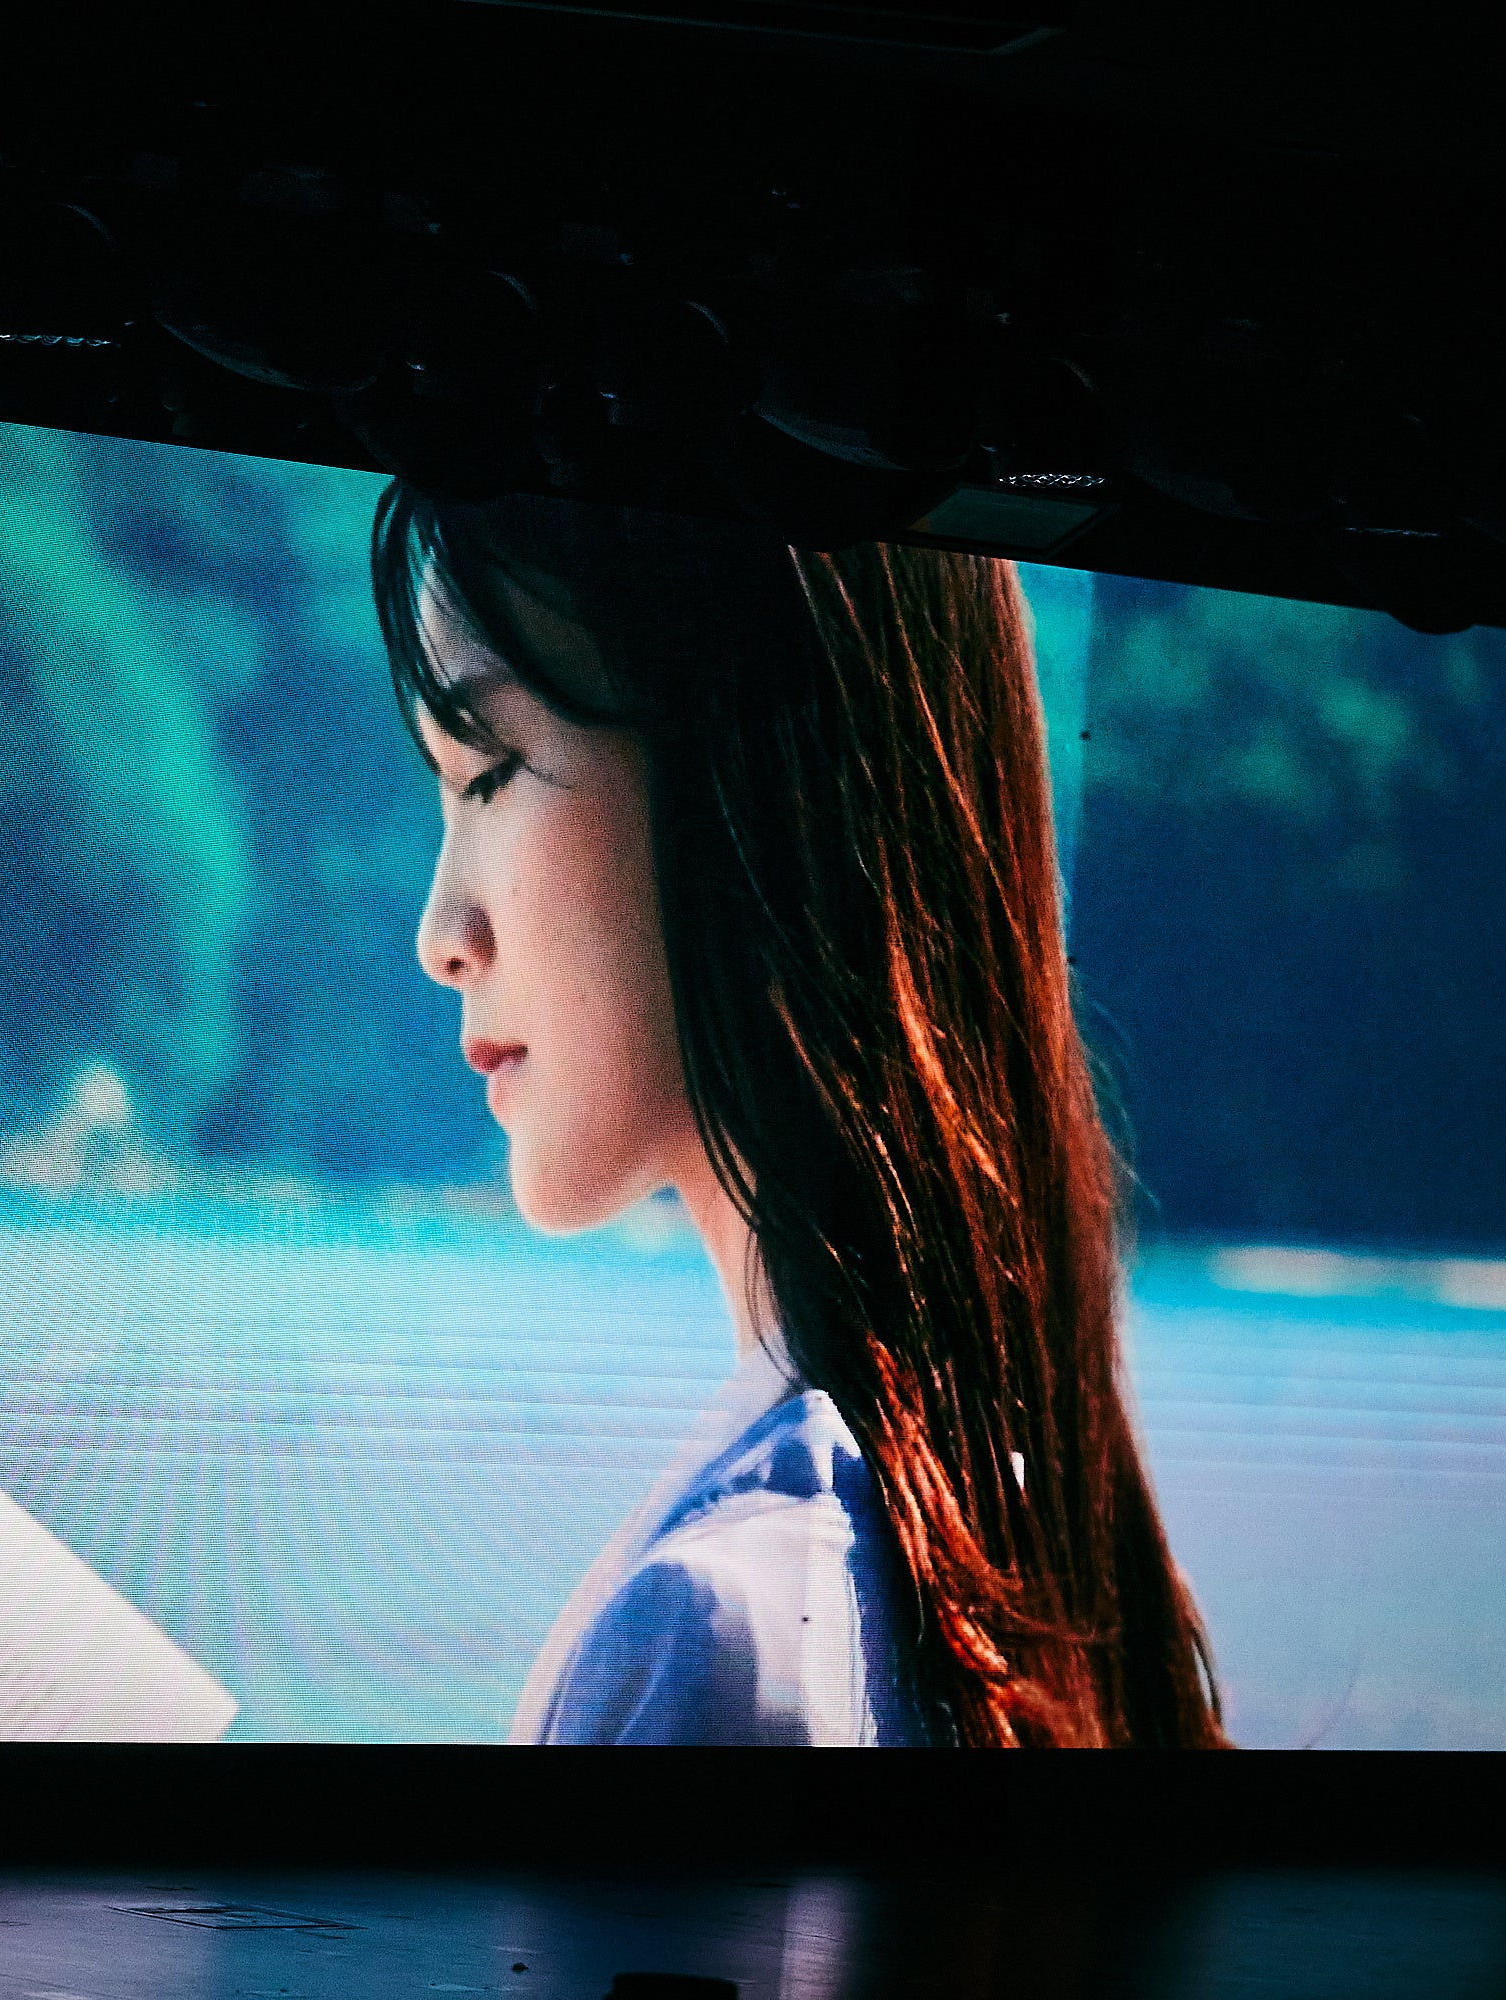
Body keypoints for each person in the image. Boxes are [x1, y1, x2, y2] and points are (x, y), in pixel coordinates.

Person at [376, 486, 1225, 1749]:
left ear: (761, 780)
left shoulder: (713, 1629)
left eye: (489, 773)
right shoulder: (994, 1549)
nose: (442, 933)